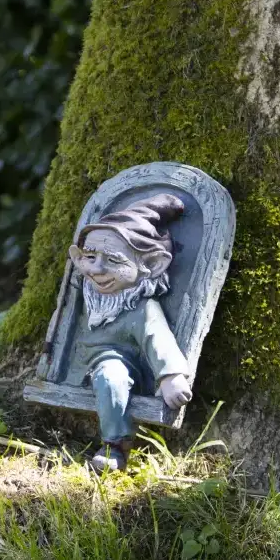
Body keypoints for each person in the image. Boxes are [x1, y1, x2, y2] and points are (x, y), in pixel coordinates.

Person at [67, 193, 193, 472]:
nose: (97, 269)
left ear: (151, 265)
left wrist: (170, 375)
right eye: (89, 257)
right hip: (78, 365)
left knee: (110, 377)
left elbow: (157, 337)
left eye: (113, 260)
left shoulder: (142, 308)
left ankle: (115, 445)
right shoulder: (87, 293)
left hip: (112, 362)